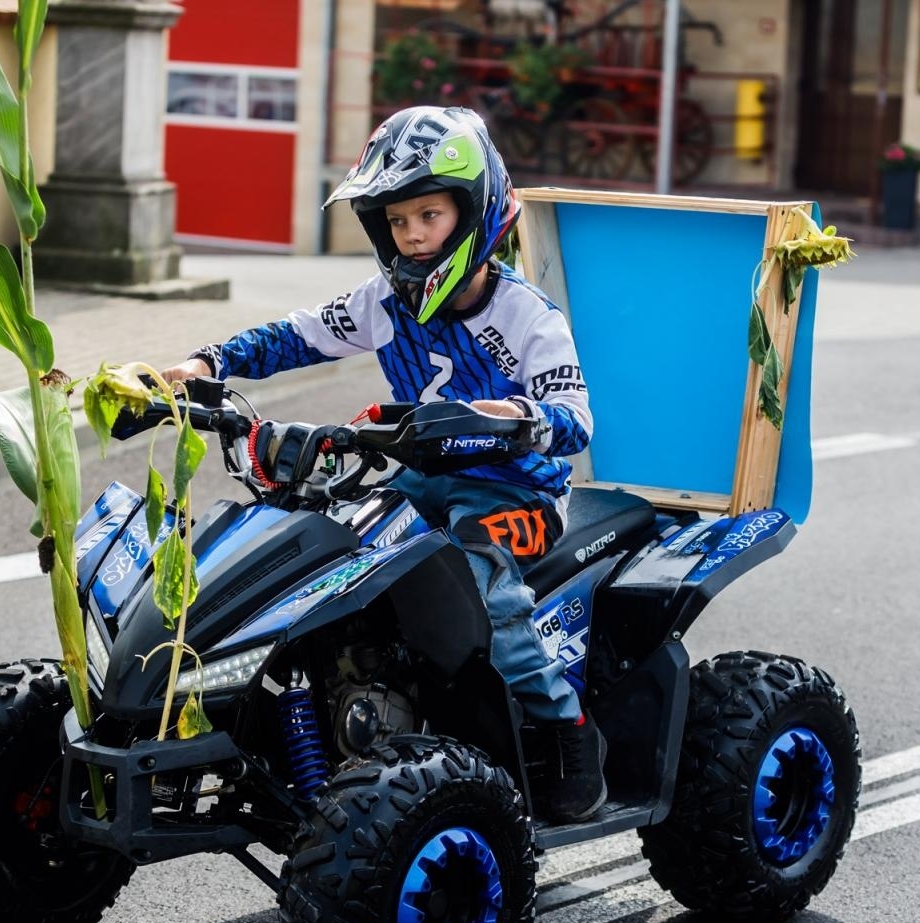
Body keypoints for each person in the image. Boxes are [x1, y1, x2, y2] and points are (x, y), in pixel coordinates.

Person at [160, 106, 606, 824]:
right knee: (338, 557)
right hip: (420, 480)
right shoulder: (385, 303)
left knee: (486, 595)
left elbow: (575, 422)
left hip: (514, 496)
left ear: (474, 210)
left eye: (430, 214)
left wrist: (509, 417)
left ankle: (566, 731)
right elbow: (296, 336)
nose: (413, 234)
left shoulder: (528, 317)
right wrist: (209, 362)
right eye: (397, 221)